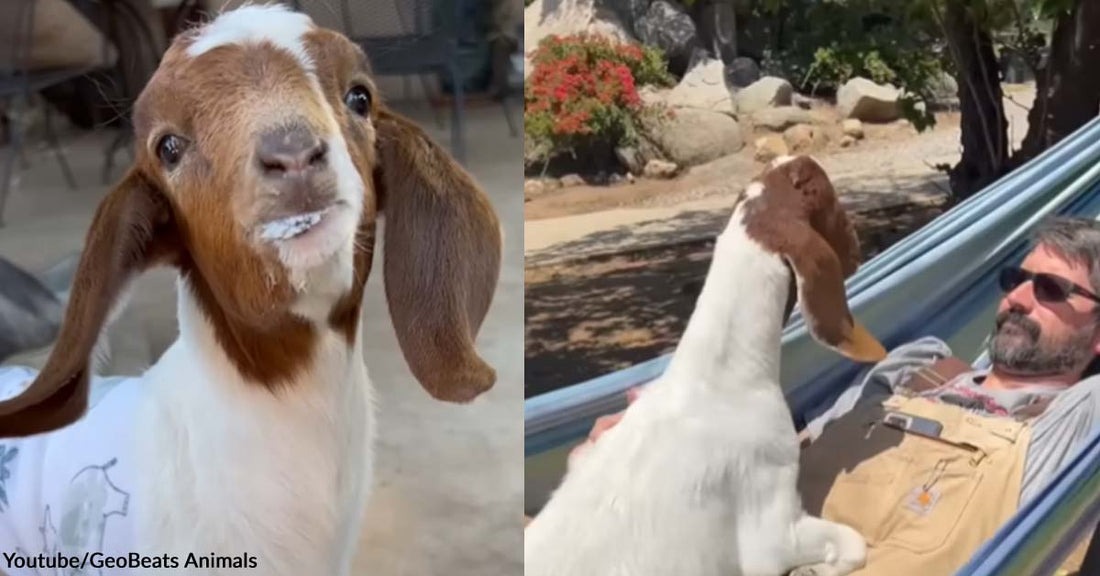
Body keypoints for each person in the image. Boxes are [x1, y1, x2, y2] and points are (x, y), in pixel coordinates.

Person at [570, 216, 1100, 575]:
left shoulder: (1076, 423)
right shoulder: (917, 366)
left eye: (1051, 289)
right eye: (1015, 279)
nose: (1017, 298)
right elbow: (789, 455)